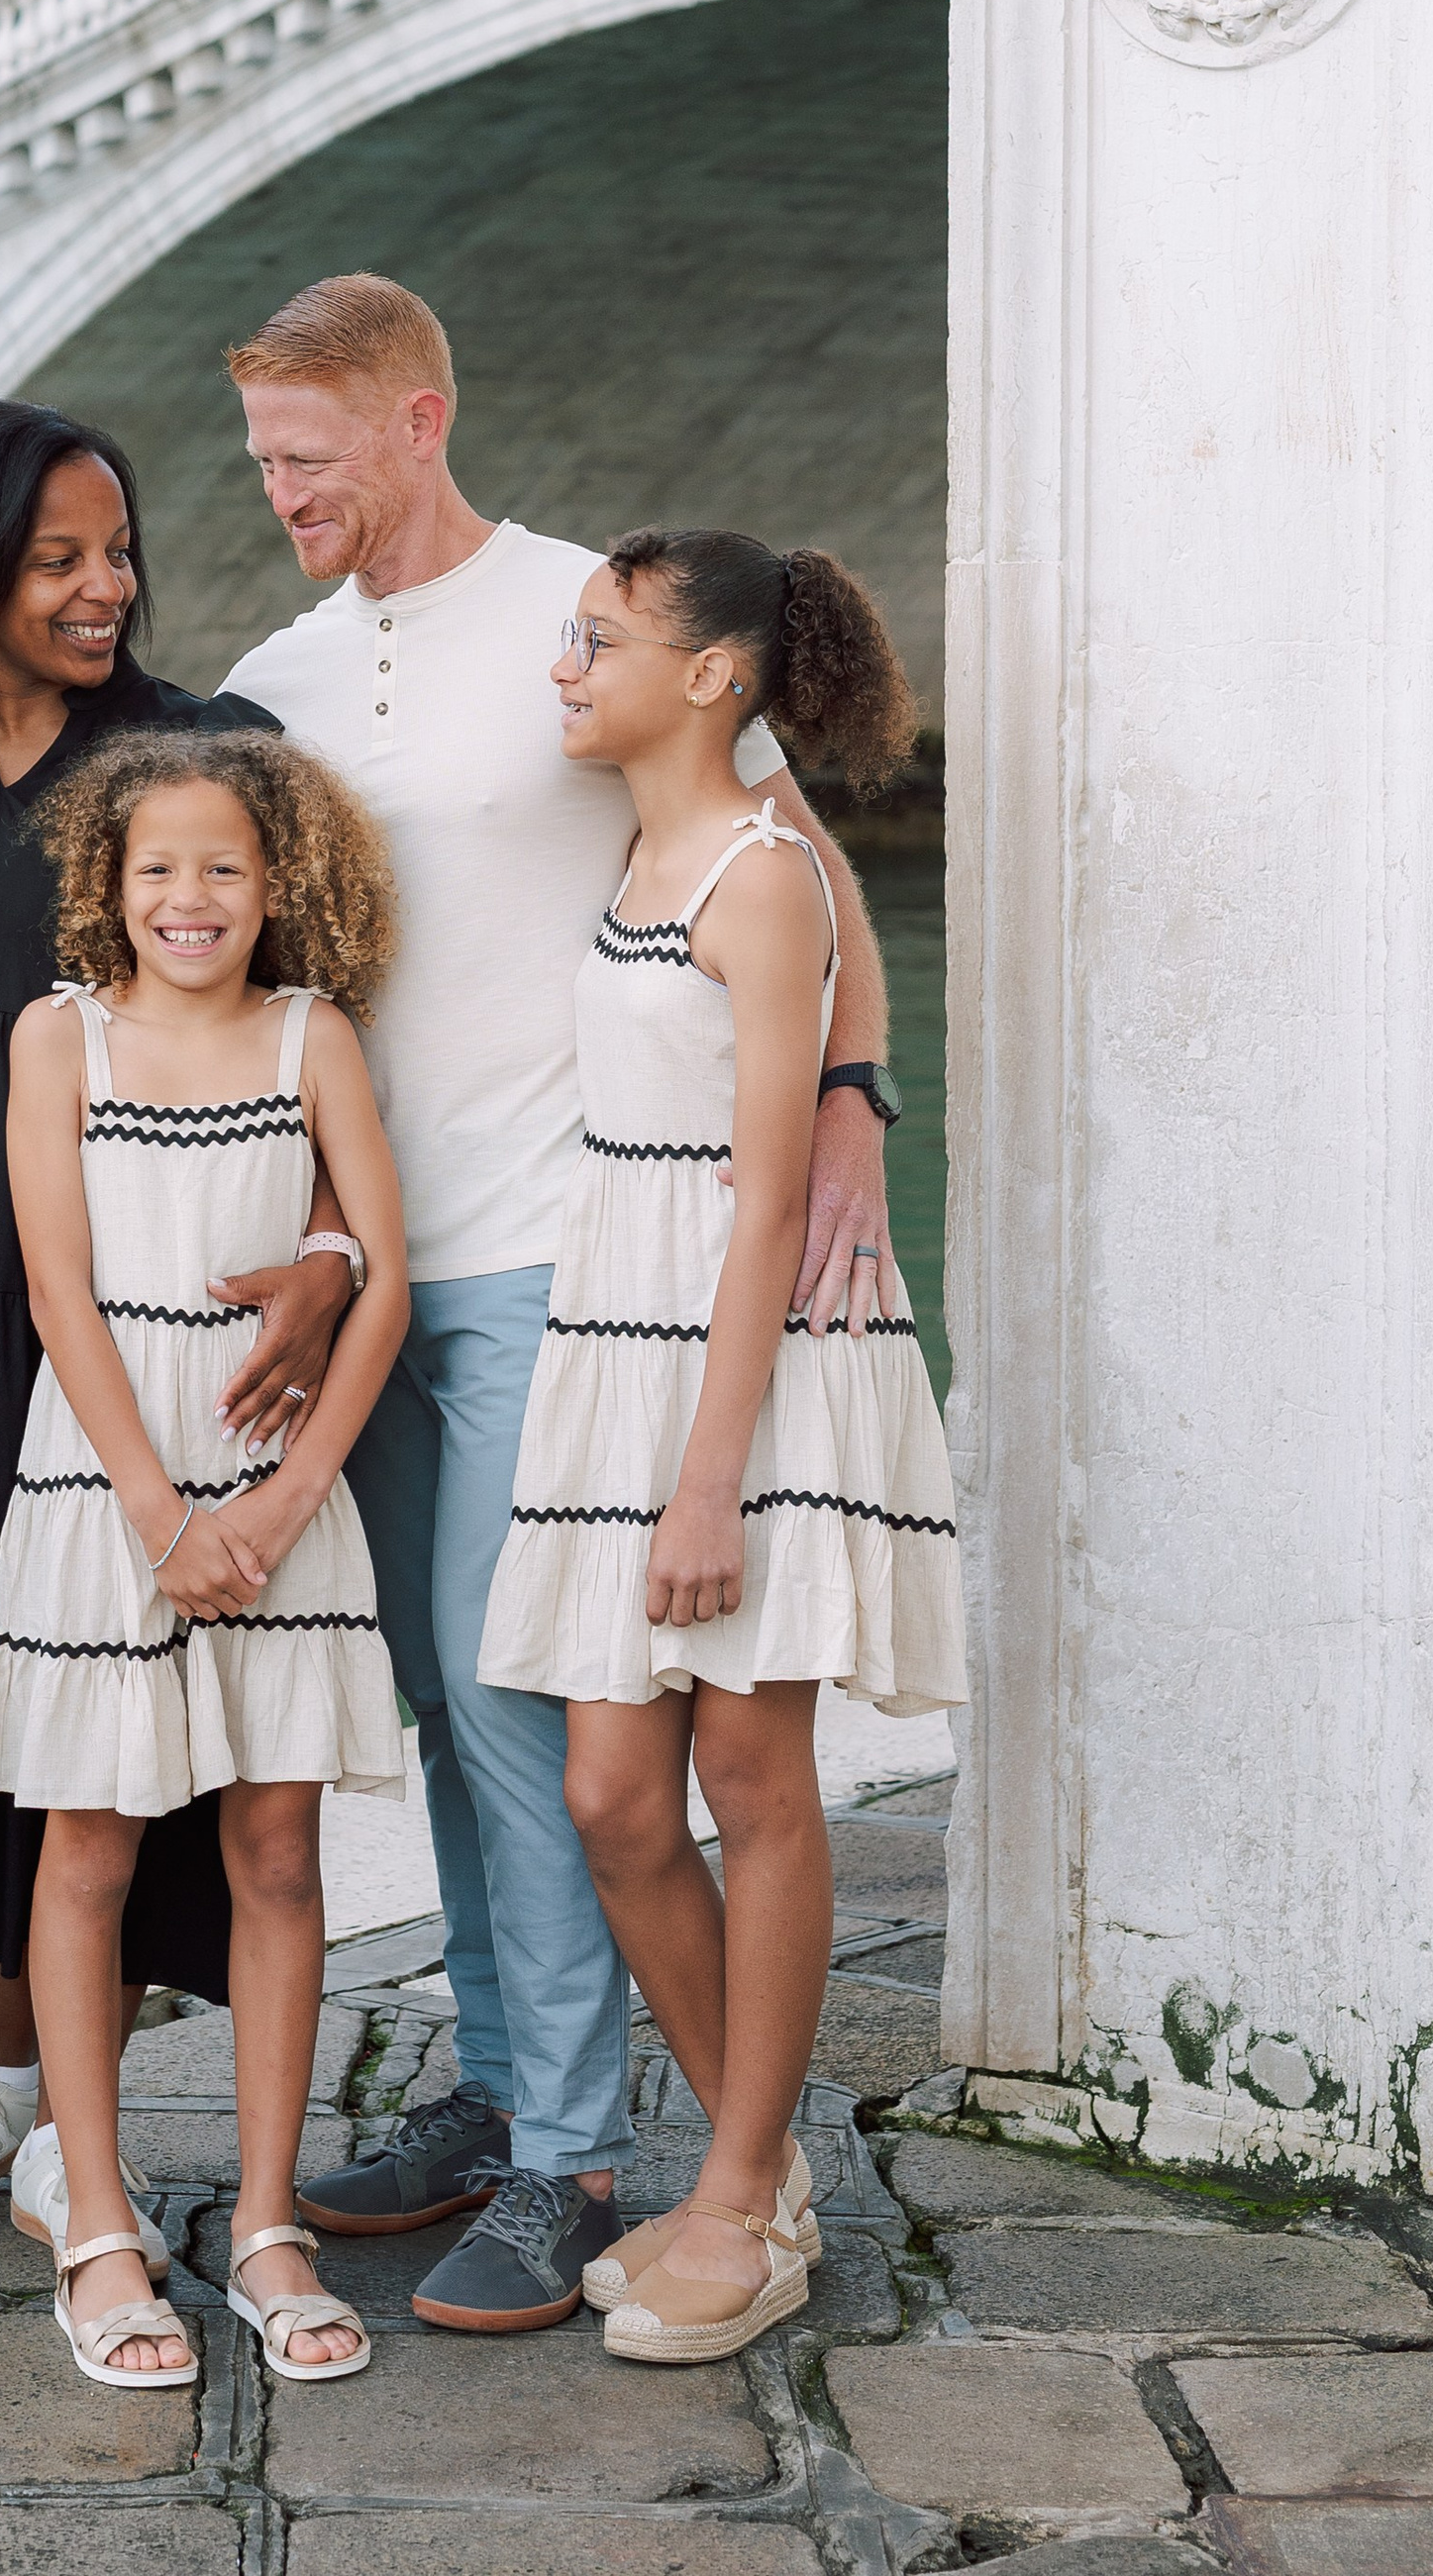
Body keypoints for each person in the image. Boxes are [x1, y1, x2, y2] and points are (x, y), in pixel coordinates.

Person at [219, 277, 904, 2332]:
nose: (279, 494)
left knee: (529, 1718)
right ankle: (508, 2073)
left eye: (307, 457)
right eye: (256, 459)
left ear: (415, 418)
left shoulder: (580, 626)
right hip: (369, 1261)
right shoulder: (273, 675)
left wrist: (853, 1096)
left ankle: (568, 2156)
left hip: (566, 1259)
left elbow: (792, 868)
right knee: (446, 1697)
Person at [0, 402, 355, 2246]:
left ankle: (88, 2118)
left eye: (118, 554)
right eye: (57, 560)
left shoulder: (210, 757)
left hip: (159, 1319)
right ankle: (3, 2085)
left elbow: (337, 1036)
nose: (105, 587)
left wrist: (332, 1256)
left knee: (160, 1723)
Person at [481, 531, 963, 2362]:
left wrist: (708, 1476)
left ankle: (742, 2195)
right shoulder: (659, 828)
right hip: (621, 1329)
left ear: (709, 675)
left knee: (755, 1781)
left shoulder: (760, 879)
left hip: (737, 1358)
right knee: (616, 1793)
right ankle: (754, 2171)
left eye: (596, 642)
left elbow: (770, 1203)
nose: (564, 668)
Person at [0, 729, 409, 2391]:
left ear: (276, 885)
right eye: (158, 868)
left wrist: (287, 1502)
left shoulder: (315, 1038)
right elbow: (58, 1294)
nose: (191, 897)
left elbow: (388, 1286)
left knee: (278, 1852)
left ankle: (272, 2222)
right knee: (84, 1849)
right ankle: (95, 2224)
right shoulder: (55, 1037)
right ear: (109, 887)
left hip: (278, 1494)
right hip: (105, 1491)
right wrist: (157, 1513)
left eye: (224, 866)